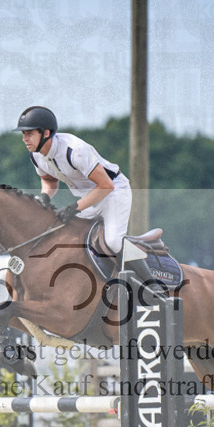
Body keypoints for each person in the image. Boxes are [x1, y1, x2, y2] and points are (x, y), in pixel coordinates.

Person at [12, 105, 162, 291]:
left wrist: (75, 207)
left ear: (46, 133)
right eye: (23, 134)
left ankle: (152, 283)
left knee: (113, 242)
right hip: (88, 199)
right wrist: (44, 196)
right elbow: (50, 183)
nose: (24, 139)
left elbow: (106, 185)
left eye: (29, 133)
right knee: (63, 235)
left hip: (114, 192)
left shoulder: (74, 150)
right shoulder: (37, 156)